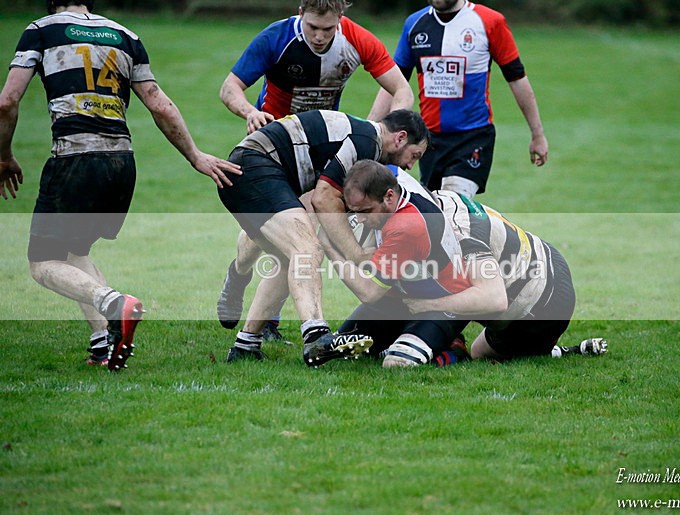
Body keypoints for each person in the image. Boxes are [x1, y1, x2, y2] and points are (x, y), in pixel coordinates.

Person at [0, 1, 241, 371]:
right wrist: (195, 156)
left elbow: (8, 101)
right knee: (74, 250)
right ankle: (102, 344)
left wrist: (4, 155)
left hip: (75, 158)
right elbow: (158, 104)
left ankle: (114, 304)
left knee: (42, 263)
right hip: (121, 163)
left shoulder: (40, 29)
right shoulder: (125, 35)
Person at [217, 0, 415, 342]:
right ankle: (239, 274)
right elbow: (229, 88)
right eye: (312, 27)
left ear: (342, 19)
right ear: (299, 14)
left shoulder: (358, 40)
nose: (320, 36)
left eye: (329, 28)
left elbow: (401, 90)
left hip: (323, 151)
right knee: (269, 239)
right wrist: (249, 111)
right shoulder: (276, 38)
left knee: (298, 239)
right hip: (274, 148)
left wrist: (376, 137)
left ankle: (266, 326)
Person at [217, 109, 430, 366]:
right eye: (414, 155)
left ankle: (245, 345)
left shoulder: (365, 143)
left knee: (291, 258)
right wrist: (354, 253)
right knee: (307, 249)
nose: (409, 165)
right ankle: (316, 334)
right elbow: (324, 198)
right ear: (400, 138)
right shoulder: (366, 140)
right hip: (254, 166)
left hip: (265, 172)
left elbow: (321, 197)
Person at [371, 0, 549, 199]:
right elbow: (393, 83)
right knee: (436, 214)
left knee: (453, 202)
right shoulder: (414, 23)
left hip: (473, 137)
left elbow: (517, 79)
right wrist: (371, 131)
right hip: (429, 142)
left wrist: (537, 134)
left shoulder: (489, 22)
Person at [403, 190, 607, 362]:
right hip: (545, 260)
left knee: (480, 351)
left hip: (544, 297)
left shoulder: (460, 233)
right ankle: (562, 350)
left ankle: (550, 350)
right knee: (478, 345)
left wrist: (426, 306)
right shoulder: (442, 197)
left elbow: (494, 299)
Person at [316, 160, 478, 368]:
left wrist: (329, 248)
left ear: (389, 197)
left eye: (365, 211)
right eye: (354, 210)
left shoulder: (405, 227)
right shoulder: (390, 177)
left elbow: (369, 292)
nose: (360, 219)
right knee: (336, 348)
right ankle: (407, 335)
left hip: (444, 302)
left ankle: (452, 348)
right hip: (400, 296)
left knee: (397, 362)